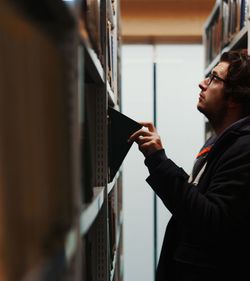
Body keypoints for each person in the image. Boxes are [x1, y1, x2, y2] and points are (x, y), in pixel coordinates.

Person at [129, 49, 250, 281]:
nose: (202, 84)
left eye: (214, 78)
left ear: (234, 97)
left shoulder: (245, 149)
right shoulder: (219, 142)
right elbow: (198, 198)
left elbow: (210, 219)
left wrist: (158, 161)